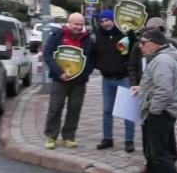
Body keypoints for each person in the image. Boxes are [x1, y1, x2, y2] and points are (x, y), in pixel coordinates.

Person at [131, 29, 177, 173]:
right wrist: (141, 90)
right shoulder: (160, 58)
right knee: (153, 151)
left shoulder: (162, 60)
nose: (140, 46)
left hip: (160, 113)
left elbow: (163, 90)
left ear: (154, 43)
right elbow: (156, 85)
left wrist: (154, 111)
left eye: (143, 43)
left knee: (159, 153)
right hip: (159, 112)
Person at [43, 13, 95, 149]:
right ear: (68, 23)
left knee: (74, 108)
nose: (78, 27)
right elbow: (47, 54)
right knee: (55, 108)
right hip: (59, 80)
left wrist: (82, 73)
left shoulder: (88, 40)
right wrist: (59, 73)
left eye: (81, 24)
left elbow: (92, 60)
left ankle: (69, 136)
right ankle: (51, 136)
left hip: (79, 82)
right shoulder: (57, 36)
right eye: (75, 24)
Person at [92, 9, 135, 152]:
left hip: (123, 78)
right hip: (107, 79)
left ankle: (129, 141)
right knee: (107, 110)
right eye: (102, 21)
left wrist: (131, 35)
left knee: (127, 111)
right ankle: (107, 139)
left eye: (107, 20)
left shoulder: (124, 34)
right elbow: (95, 54)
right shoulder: (98, 36)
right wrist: (100, 66)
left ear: (113, 20)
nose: (105, 23)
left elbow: (133, 49)